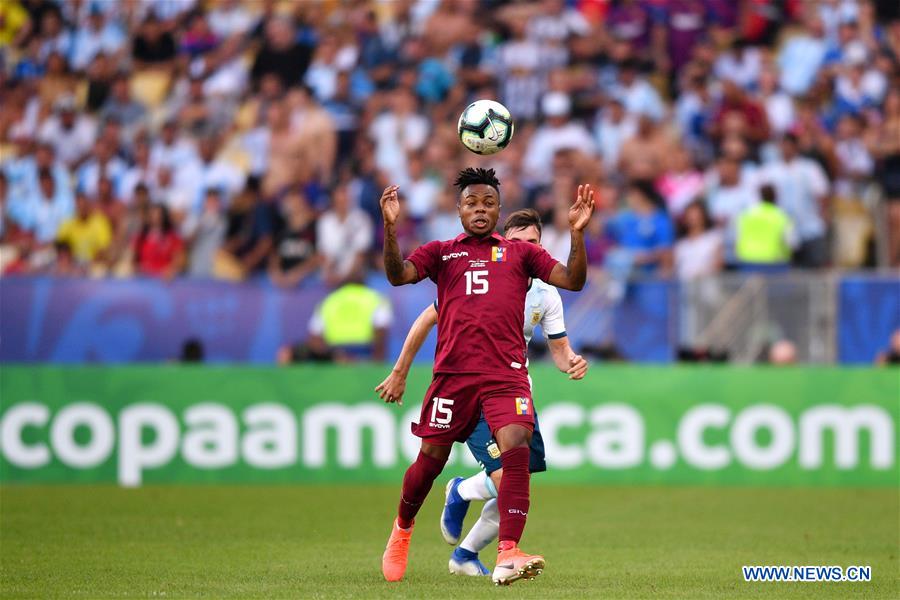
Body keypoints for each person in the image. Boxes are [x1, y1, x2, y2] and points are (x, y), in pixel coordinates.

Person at [378, 168, 594, 585]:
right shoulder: (442, 253)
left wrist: (578, 235)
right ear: (458, 209)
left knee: (517, 450)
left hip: (505, 377)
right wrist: (390, 229)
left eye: (488, 203)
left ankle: (508, 551)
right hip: (453, 377)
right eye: (472, 203)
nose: (480, 210)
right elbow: (397, 274)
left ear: (498, 210)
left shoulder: (520, 256)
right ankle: (402, 530)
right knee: (430, 461)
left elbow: (574, 280)